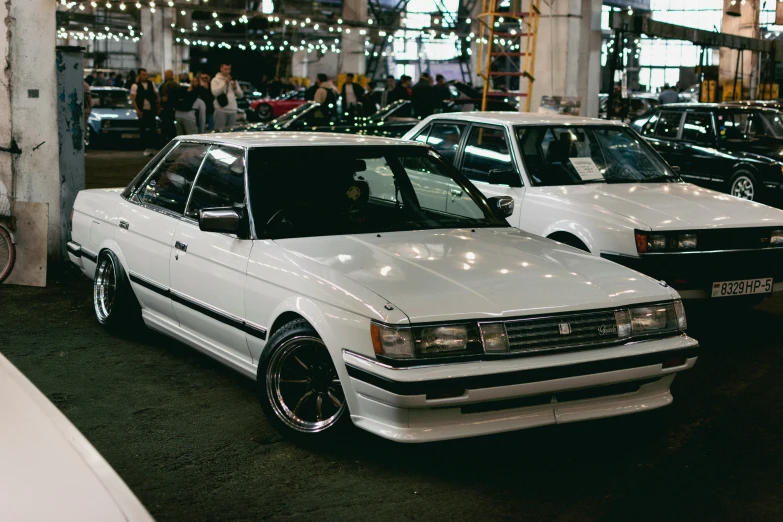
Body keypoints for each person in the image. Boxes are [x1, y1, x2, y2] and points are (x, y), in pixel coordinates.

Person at [130, 68, 160, 156]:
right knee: (143, 130)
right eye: (143, 75)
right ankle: (146, 147)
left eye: (146, 74)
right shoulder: (135, 86)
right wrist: (138, 110)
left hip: (151, 110)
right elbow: (133, 99)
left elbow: (156, 95)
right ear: (139, 75)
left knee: (153, 129)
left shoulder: (151, 84)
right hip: (142, 111)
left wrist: (158, 107)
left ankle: (153, 147)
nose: (145, 76)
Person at [210, 63, 243, 131]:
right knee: (219, 131)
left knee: (231, 131)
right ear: (221, 69)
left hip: (233, 109)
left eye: (229, 69)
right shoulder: (215, 80)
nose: (228, 71)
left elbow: (240, 95)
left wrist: (235, 88)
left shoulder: (233, 80)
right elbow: (215, 93)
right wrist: (224, 83)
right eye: (225, 69)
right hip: (221, 109)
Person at [159, 69, 178, 142]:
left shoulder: (170, 84)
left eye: (166, 74)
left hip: (168, 109)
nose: (165, 76)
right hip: (168, 109)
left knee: (168, 128)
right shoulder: (173, 84)